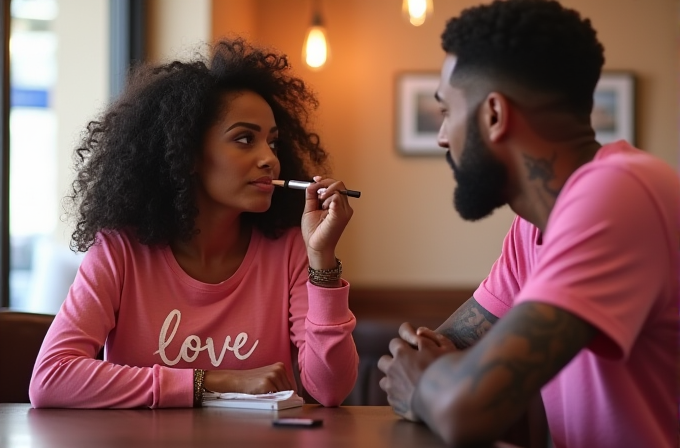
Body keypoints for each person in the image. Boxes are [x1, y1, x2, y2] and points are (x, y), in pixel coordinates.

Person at [377, 1, 679, 447]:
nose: (442, 137)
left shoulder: (621, 194)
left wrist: (430, 385)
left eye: (446, 112)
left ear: (494, 115)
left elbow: (465, 409)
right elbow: (434, 350)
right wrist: (433, 381)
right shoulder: (534, 227)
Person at [29, 37, 359, 409]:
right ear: (187, 155)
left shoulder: (288, 249)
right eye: (245, 139)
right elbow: (51, 378)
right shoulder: (120, 251)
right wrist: (212, 381)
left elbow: (330, 390)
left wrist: (322, 259)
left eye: (273, 143)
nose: (270, 159)